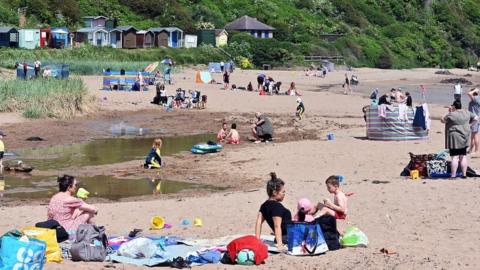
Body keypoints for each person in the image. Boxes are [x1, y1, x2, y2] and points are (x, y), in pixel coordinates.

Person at [441, 101, 477, 178]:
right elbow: (476, 118)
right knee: (463, 156)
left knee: (455, 157)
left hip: (455, 137)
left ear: (454, 106)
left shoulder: (451, 114)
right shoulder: (467, 112)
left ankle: (453, 175)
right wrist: (470, 125)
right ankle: (464, 175)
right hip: (465, 135)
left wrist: (449, 111)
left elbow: (442, 120)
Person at [255, 172, 291, 250]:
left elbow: (258, 222)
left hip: (282, 237)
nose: (284, 194)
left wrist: (257, 240)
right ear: (275, 193)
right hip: (287, 237)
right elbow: (277, 226)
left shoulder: (264, 205)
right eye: (283, 192)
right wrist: (280, 245)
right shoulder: (277, 207)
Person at [468, 88, 480, 154]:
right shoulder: (478, 98)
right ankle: (471, 149)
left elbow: (469, 93)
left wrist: (475, 90)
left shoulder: (476, 98)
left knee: (475, 135)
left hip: (474, 119)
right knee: (473, 135)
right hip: (476, 118)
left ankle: (476, 150)